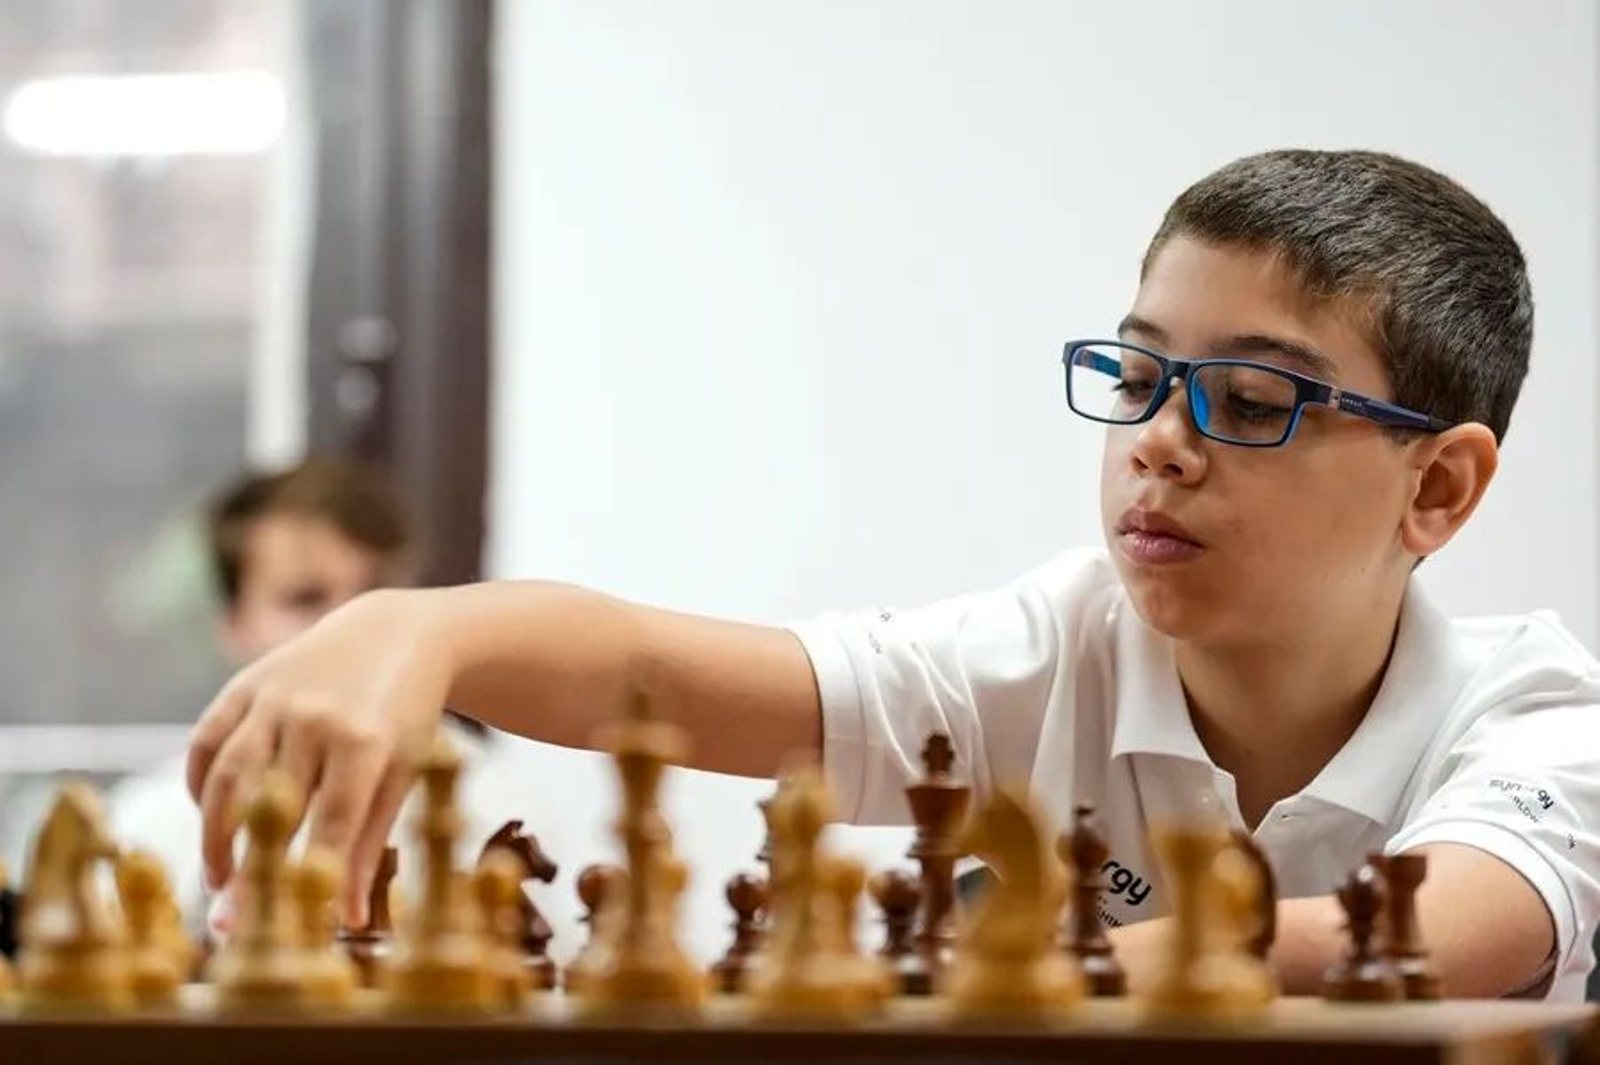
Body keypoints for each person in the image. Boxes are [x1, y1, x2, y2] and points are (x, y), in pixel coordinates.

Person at [185, 149, 1600, 1000]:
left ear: (1438, 486)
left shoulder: (1539, 717)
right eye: (1139, 376)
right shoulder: (1050, 648)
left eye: (1248, 400)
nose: (1159, 446)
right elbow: (663, 676)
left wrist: (997, 972)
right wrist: (413, 630)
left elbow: (1446, 928)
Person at [109, 458, 413, 920]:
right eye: (306, 598)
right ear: (233, 626)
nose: (354, 625)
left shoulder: (486, 798)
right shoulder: (149, 824)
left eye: (376, 593)